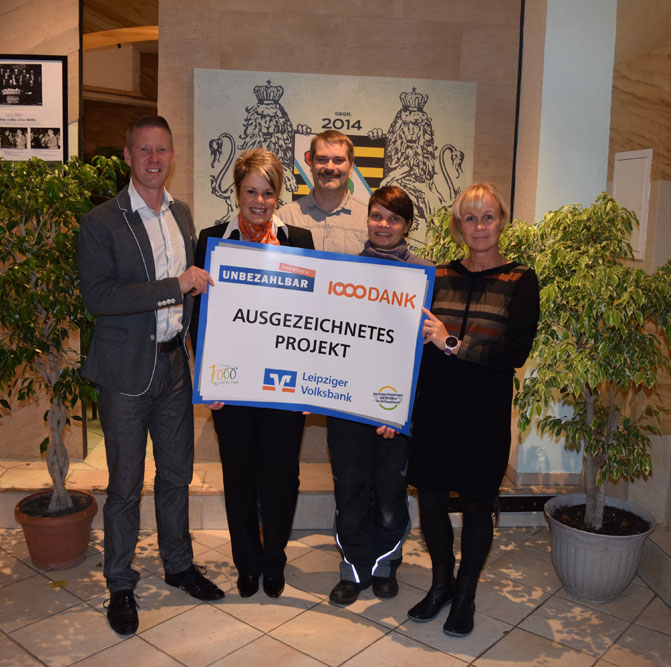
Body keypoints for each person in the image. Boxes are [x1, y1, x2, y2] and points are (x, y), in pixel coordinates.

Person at [79, 115, 223, 638]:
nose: (154, 159)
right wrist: (173, 286)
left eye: (162, 150)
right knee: (124, 486)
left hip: (173, 366)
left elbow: (196, 293)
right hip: (124, 373)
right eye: (144, 150)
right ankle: (120, 582)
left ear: (172, 156)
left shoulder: (182, 214)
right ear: (127, 156)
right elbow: (99, 297)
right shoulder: (101, 221)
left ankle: (179, 566)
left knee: (176, 476)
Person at [408, 182, 540, 637]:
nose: (479, 226)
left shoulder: (521, 280)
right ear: (458, 226)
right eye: (470, 217)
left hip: (484, 411)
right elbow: (414, 346)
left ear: (502, 222)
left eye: (488, 217)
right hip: (436, 408)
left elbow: (514, 353)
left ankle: (465, 595)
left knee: (478, 504)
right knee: (430, 500)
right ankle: (441, 584)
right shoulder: (437, 276)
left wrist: (452, 343)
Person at [193, 148, 314, 598]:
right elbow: (199, 317)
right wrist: (207, 377)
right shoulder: (211, 240)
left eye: (268, 193)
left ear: (277, 195)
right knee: (239, 474)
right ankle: (246, 562)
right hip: (232, 385)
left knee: (281, 476)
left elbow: (312, 316)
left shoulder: (299, 240)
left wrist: (308, 384)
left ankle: (274, 560)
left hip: (284, 384)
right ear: (237, 192)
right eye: (251, 192)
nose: (259, 202)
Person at [326, 186, 433, 607]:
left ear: (407, 225)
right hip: (347, 406)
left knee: (390, 491)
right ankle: (353, 569)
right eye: (377, 215)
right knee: (350, 487)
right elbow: (328, 337)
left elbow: (425, 353)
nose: (383, 225)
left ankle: (386, 564)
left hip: (396, 409)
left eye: (394, 218)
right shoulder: (343, 272)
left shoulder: (425, 276)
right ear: (367, 218)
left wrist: (399, 409)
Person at [277, 129, 368, 254]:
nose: (329, 167)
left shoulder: (368, 220)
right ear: (311, 164)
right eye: (322, 159)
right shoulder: (285, 217)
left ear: (351, 166)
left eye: (338, 160)